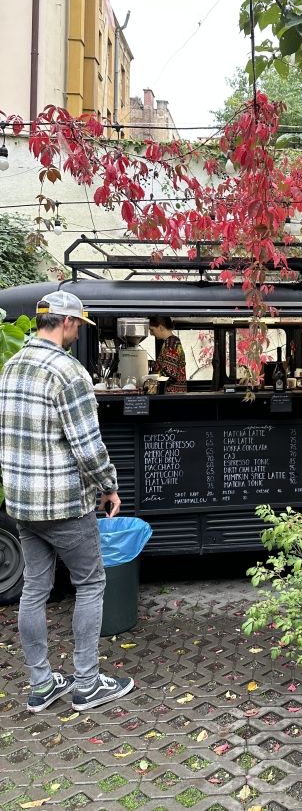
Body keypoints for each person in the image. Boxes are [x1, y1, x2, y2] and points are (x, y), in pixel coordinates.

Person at [0, 291, 134, 713]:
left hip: (22, 502)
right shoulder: (68, 372)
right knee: (91, 584)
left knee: (35, 589)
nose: (78, 333)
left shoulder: (10, 367)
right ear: (68, 323)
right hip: (63, 503)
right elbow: (87, 445)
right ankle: (87, 683)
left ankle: (41, 685)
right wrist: (109, 485)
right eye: (79, 326)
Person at [149, 316, 187, 393]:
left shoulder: (171, 343)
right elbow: (167, 366)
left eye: (152, 330)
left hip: (171, 393)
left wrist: (150, 381)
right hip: (174, 393)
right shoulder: (171, 341)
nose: (151, 333)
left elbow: (169, 374)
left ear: (161, 327)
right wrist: (150, 364)